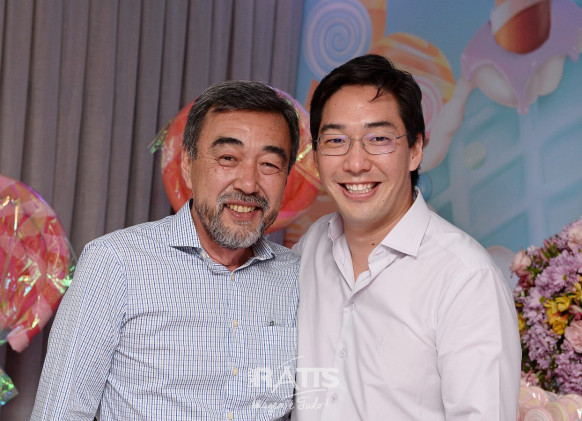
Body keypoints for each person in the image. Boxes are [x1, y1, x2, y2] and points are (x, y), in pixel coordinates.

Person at [31, 80, 301, 420]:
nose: (248, 184)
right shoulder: (115, 262)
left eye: (270, 164)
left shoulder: (296, 275)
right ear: (187, 164)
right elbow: (60, 412)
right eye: (228, 158)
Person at [291, 55, 521, 420]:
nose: (356, 163)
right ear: (316, 155)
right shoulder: (310, 248)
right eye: (336, 140)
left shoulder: (466, 279)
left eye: (378, 138)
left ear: (415, 149)